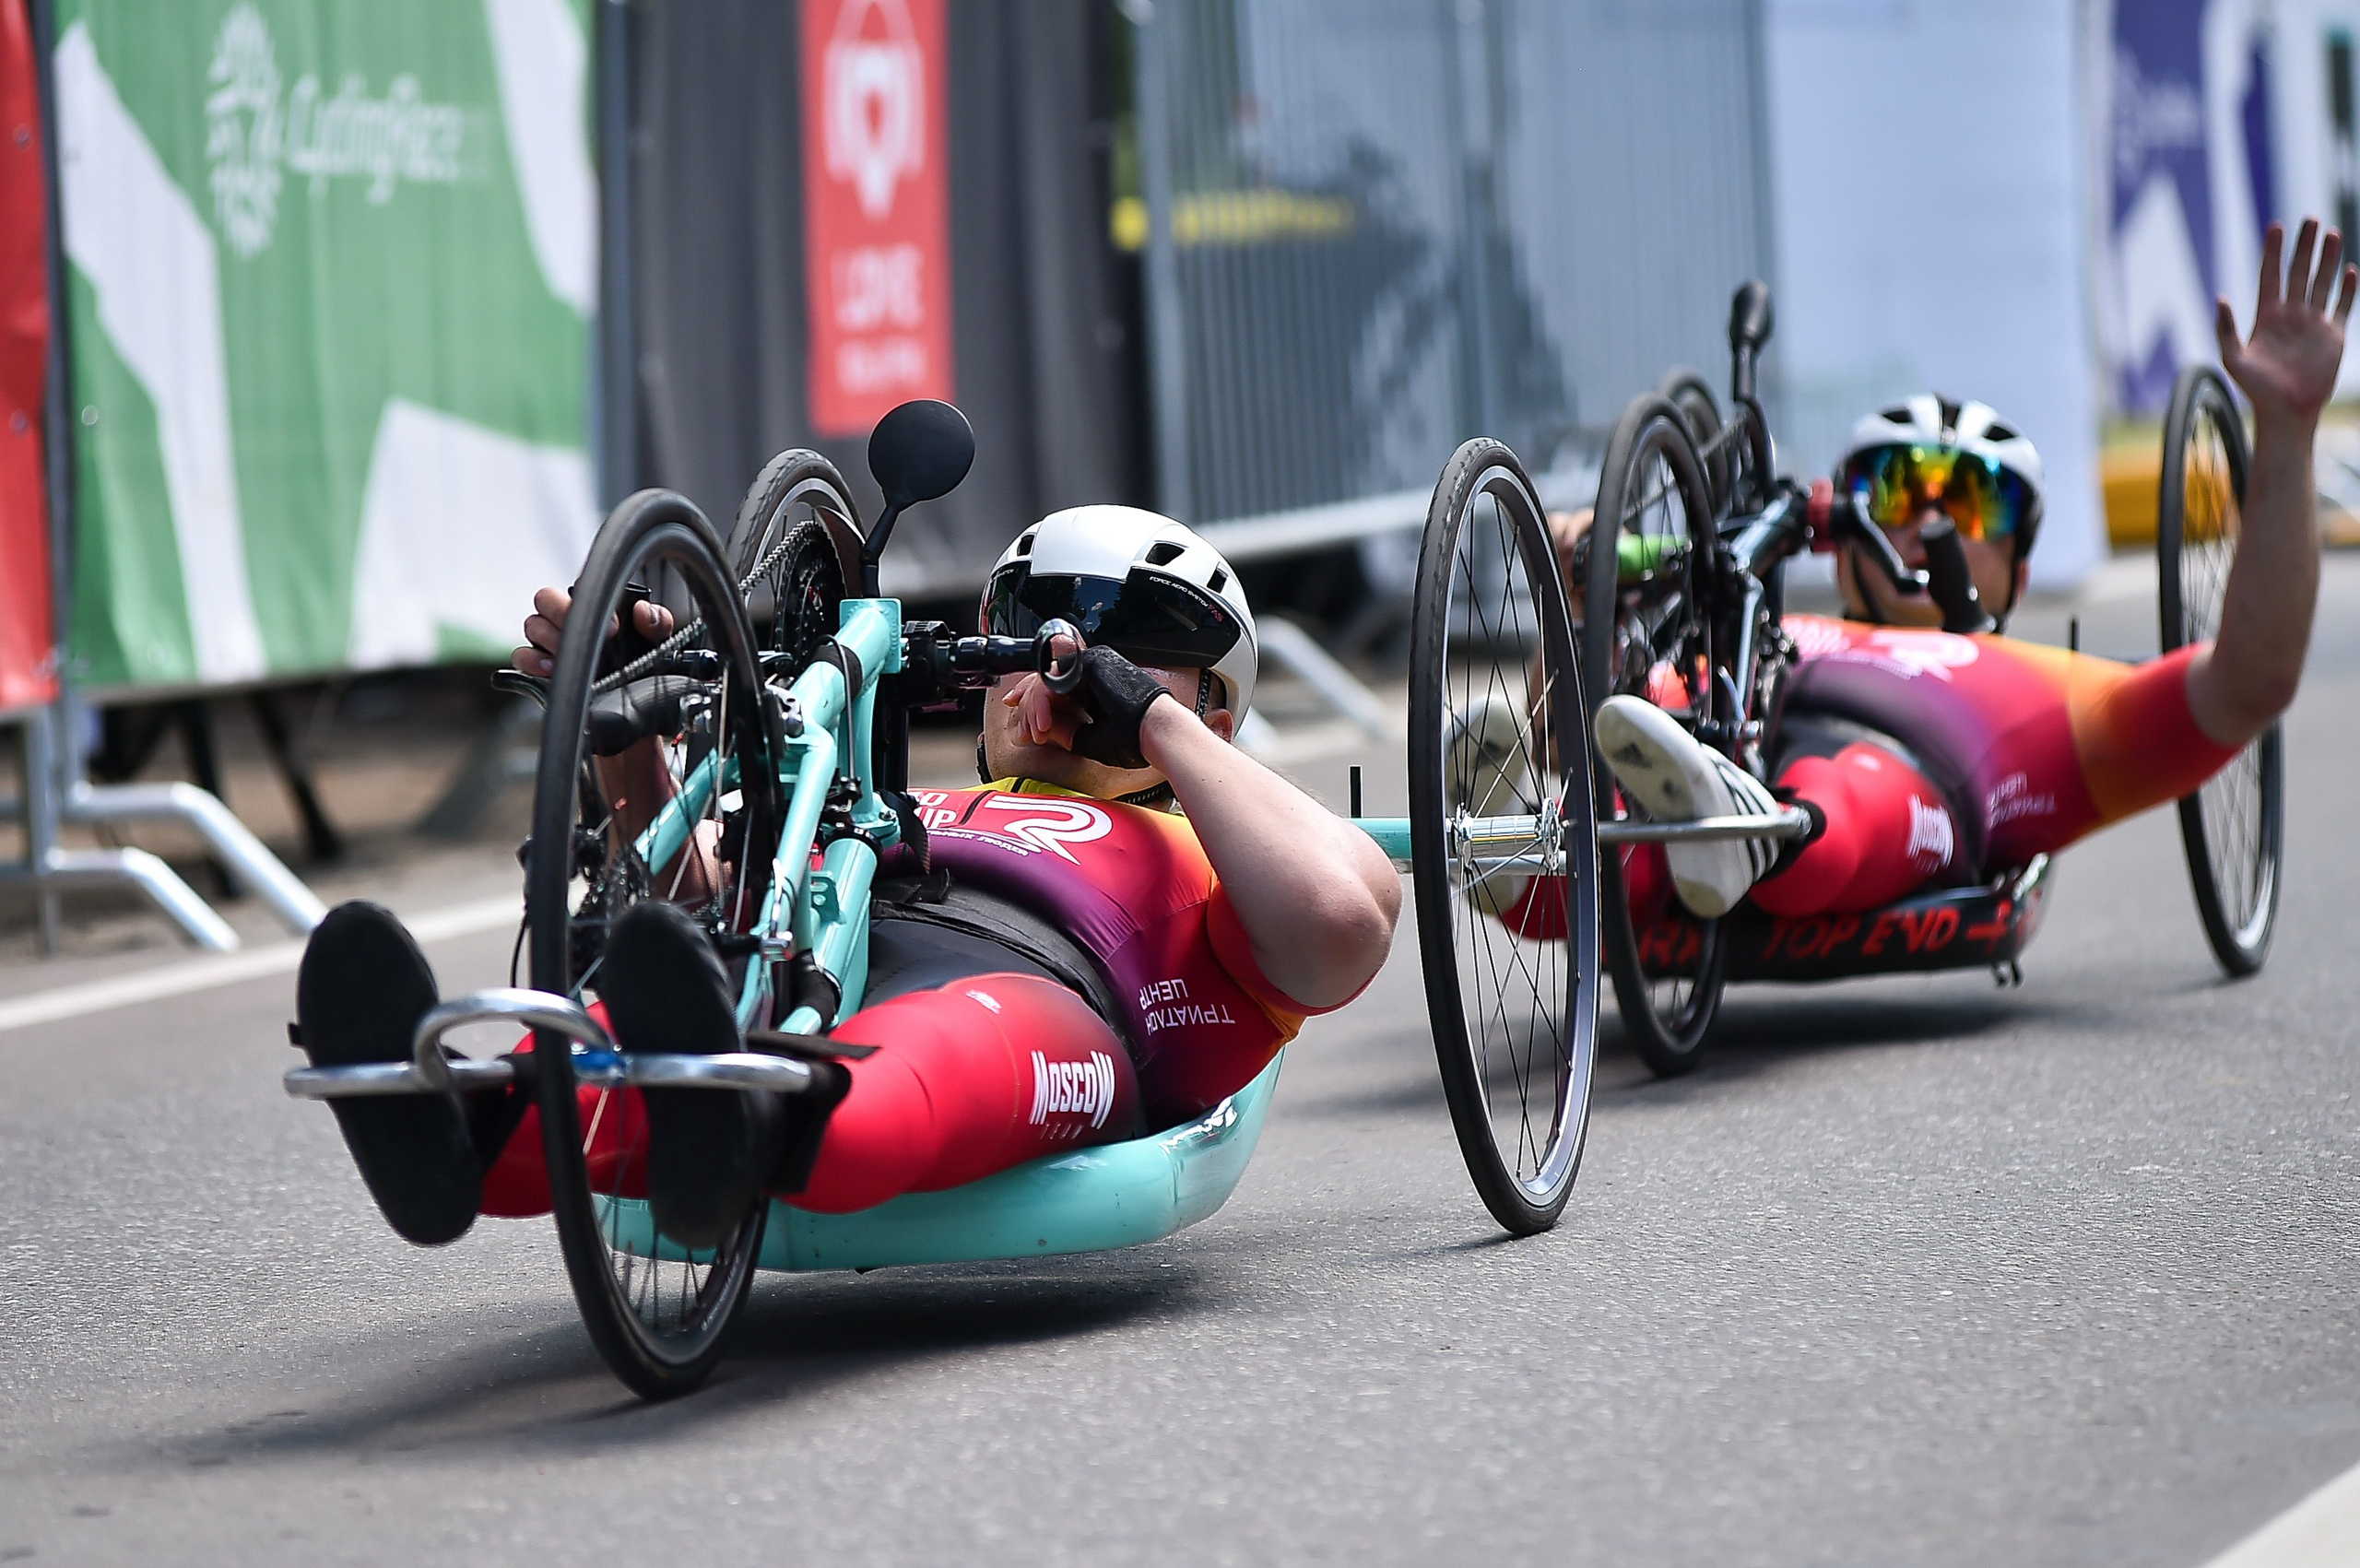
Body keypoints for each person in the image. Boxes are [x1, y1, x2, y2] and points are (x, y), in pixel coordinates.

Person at [297, 506, 1400, 1247]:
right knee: (656, 1001)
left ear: (1215, 702)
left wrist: (1148, 721)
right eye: (1023, 630)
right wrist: (622, 726)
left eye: (1132, 638)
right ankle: (453, 1126)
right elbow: (690, 914)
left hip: (1046, 1001)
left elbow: (1339, 923)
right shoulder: (890, 799)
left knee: (939, 1048)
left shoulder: (1227, 849)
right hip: (823, 962)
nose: (1049, 664)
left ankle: (739, 1116)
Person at [1571, 217, 2348, 926]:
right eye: (1898, 489)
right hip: (1717, 745)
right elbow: (1592, 723)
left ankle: (1761, 830)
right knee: (1601, 820)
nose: (1928, 521)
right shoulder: (1758, 638)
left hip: (1897, 775)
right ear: (1840, 538)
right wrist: (1577, 591)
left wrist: (2286, 432)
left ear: (2021, 563)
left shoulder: (2055, 686)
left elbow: (2251, 681)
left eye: (1978, 500)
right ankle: (1521, 849)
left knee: (1850, 783)